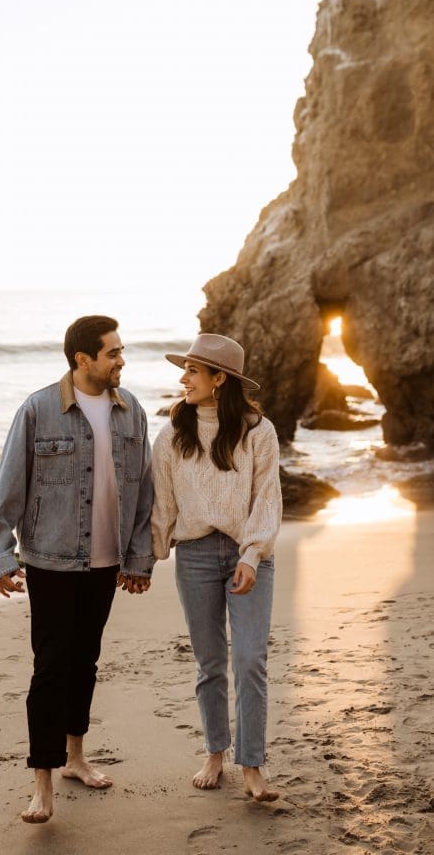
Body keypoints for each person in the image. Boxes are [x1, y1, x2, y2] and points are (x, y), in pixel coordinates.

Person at [0, 314, 153, 825]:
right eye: (113, 352)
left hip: (105, 563)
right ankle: (42, 782)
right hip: (51, 561)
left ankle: (76, 759)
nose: (122, 360)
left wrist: (138, 558)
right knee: (50, 668)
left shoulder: (131, 411)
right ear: (84, 359)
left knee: (86, 662)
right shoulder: (39, 409)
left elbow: (144, 493)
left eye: (122, 351)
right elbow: (9, 485)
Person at [151, 333, 282, 803]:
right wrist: (146, 559)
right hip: (196, 558)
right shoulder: (170, 435)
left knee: (250, 662)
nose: (183, 379)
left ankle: (251, 764)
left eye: (192, 371)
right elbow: (162, 506)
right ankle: (214, 751)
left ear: (219, 378)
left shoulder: (258, 432)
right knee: (210, 664)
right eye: (184, 370)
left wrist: (251, 554)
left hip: (249, 557)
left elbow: (267, 499)